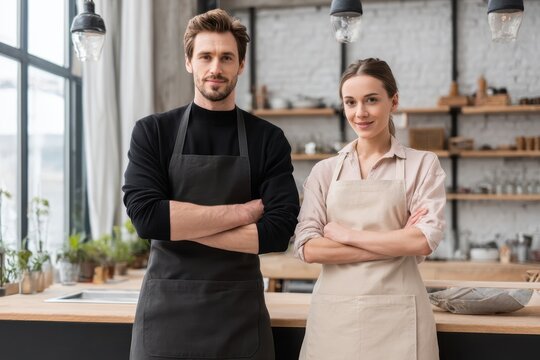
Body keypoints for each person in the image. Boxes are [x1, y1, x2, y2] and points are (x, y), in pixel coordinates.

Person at [123, 9, 299, 360]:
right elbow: (146, 218)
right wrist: (243, 212)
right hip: (167, 316)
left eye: (226, 57)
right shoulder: (154, 132)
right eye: (205, 56)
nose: (215, 68)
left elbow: (278, 231)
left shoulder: (267, 139)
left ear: (241, 65)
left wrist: (177, 225)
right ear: (189, 62)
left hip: (239, 316)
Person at [294, 58, 446, 360]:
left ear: (394, 101)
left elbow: (423, 240)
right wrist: (397, 242)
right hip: (335, 321)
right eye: (350, 102)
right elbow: (308, 248)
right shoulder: (324, 171)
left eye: (371, 100)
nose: (359, 113)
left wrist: (344, 234)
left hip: (401, 320)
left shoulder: (422, 165)